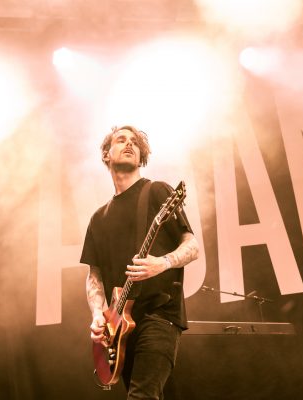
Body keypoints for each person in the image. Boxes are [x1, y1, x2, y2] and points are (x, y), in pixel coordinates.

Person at [81, 125, 199, 399]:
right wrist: (98, 315)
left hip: (159, 316)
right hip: (119, 329)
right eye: (121, 140)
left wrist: (164, 262)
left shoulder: (157, 192)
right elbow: (94, 275)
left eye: (135, 142)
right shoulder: (98, 218)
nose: (129, 144)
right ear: (107, 155)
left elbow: (192, 246)